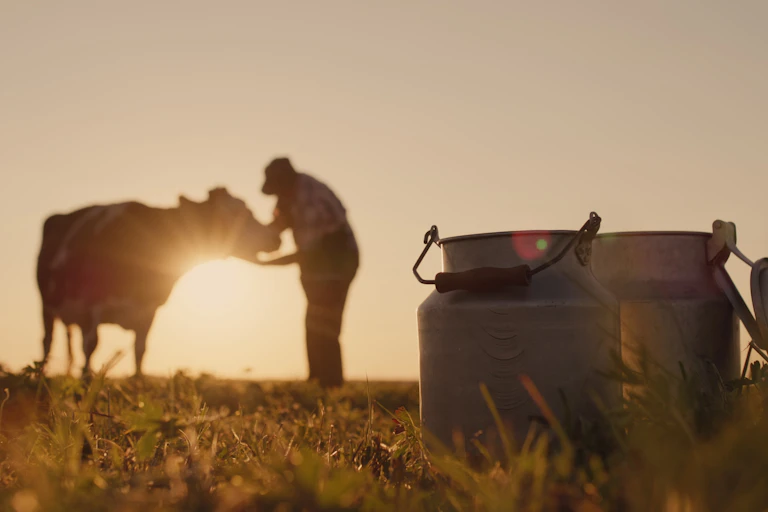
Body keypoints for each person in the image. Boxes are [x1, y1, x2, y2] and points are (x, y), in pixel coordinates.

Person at [256, 157, 359, 388]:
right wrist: (252, 242)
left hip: (336, 264)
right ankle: (316, 382)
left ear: (285, 182)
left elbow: (311, 252)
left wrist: (265, 263)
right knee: (314, 321)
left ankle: (330, 385)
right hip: (316, 266)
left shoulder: (312, 199)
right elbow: (275, 228)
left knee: (325, 322)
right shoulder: (288, 198)